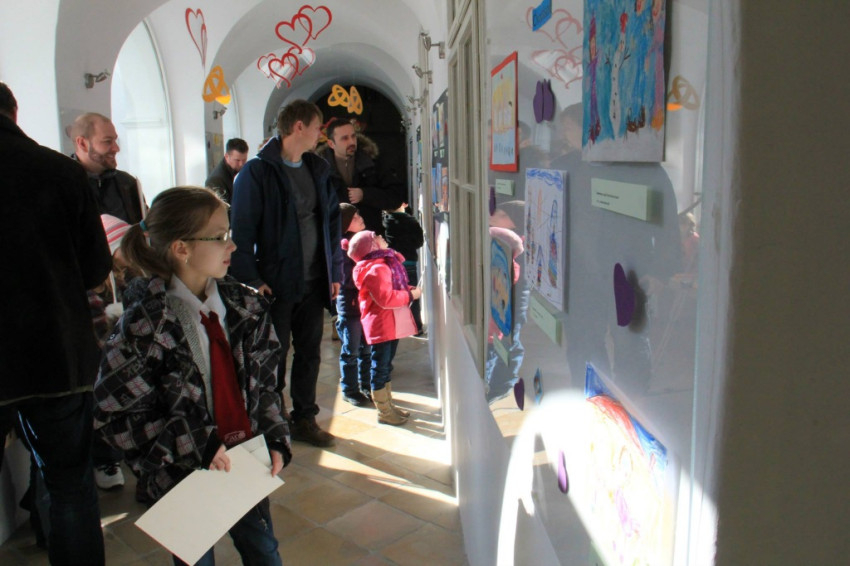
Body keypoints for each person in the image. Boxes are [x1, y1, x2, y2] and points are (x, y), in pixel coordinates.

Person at [94, 186, 290, 565]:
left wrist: (276, 437)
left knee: (263, 551)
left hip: (245, 462)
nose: (232, 245)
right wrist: (194, 443)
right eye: (219, 237)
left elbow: (265, 385)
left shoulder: (246, 308)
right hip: (182, 475)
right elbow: (115, 414)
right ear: (181, 248)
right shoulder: (144, 325)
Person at [0, 81, 109, 565]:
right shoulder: (60, 172)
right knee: (70, 486)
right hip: (56, 350)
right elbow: (95, 267)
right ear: (13, 113)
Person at [231, 99, 342, 447]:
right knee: (273, 357)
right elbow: (241, 231)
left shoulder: (317, 168)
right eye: (317, 127)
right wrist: (253, 279)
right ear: (299, 127)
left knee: (309, 353)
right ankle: (272, 423)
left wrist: (335, 272)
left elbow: (331, 224)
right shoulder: (257, 172)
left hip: (313, 280)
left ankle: (304, 418)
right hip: (275, 284)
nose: (320, 134)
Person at [88, 214, 143, 490]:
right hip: (98, 370)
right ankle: (105, 460)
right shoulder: (92, 291)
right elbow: (104, 343)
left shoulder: (122, 281)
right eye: (125, 246)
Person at [346, 230, 421, 425]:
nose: (381, 236)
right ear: (371, 246)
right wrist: (410, 295)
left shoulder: (382, 264)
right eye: (375, 237)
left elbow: (389, 290)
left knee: (385, 366)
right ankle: (384, 412)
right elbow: (386, 299)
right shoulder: (377, 268)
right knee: (380, 367)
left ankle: (388, 405)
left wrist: (407, 290)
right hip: (383, 325)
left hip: (387, 324)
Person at [317, 117, 402, 234]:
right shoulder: (319, 170)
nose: (351, 142)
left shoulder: (373, 163)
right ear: (331, 144)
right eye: (344, 138)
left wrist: (365, 194)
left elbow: (395, 197)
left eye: (353, 136)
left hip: (370, 237)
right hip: (336, 239)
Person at [69, 112, 147, 224]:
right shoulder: (61, 186)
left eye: (115, 140)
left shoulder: (128, 183)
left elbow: (143, 226)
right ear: (82, 144)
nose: (116, 148)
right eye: (107, 141)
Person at [336, 203, 373, 406]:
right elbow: (347, 279)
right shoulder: (342, 247)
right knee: (351, 351)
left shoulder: (362, 240)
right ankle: (350, 389)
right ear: (346, 223)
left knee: (367, 349)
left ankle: (367, 385)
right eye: (355, 216)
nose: (360, 218)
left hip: (364, 306)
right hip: (350, 308)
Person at [382, 203, 425, 335]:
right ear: (404, 204)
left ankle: (397, 326)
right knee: (412, 294)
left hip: (393, 264)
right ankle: (416, 327)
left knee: (396, 295)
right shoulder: (411, 222)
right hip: (409, 262)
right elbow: (419, 242)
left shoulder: (385, 222)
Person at [206, 137, 249, 204]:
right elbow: (222, 208)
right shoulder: (216, 180)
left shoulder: (239, 171)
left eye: (244, 160)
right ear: (226, 156)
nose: (241, 164)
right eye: (237, 160)